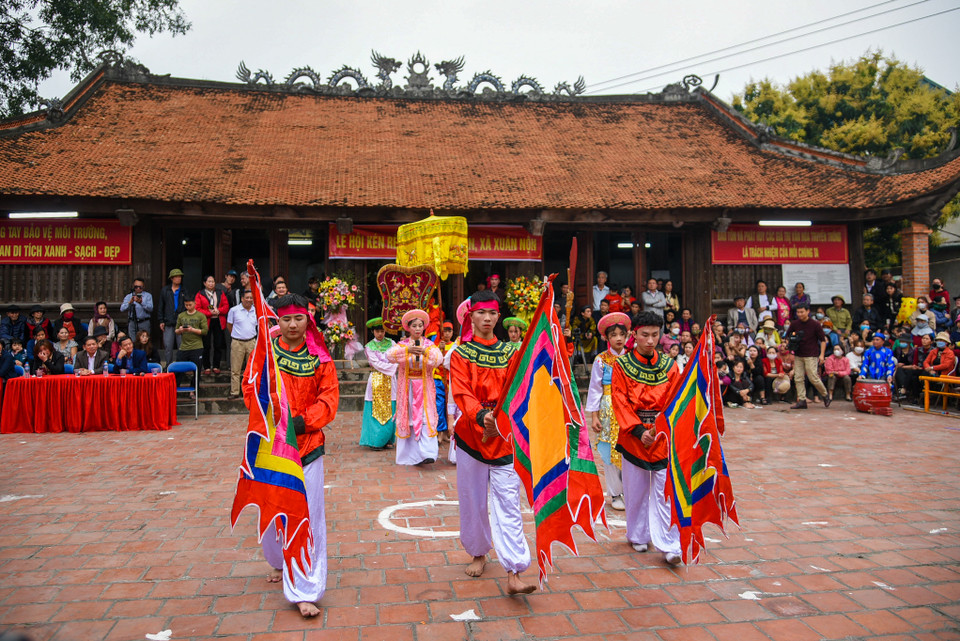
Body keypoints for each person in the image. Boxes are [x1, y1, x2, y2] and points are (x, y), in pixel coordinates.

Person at [244, 293, 338, 618]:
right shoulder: (265, 354)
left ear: (307, 320)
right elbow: (249, 387)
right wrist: (270, 419)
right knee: (273, 514)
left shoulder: (320, 357)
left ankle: (305, 587)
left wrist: (300, 424)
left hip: (308, 447)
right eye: (286, 319)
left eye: (299, 318)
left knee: (306, 517)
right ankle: (279, 561)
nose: (293, 324)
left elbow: (329, 400)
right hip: (271, 449)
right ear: (277, 321)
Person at [449, 289, 536, 594]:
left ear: (498, 316)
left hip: (504, 437)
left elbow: (522, 390)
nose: (487, 319)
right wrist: (480, 415)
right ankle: (478, 551)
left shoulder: (512, 353)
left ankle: (514, 568)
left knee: (508, 501)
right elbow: (461, 392)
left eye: (492, 314)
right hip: (472, 434)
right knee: (472, 500)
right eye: (481, 313)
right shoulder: (460, 354)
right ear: (470, 316)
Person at [610, 311, 682, 565]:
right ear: (634, 336)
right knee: (636, 491)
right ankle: (638, 534)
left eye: (654, 335)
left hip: (661, 436)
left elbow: (675, 400)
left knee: (665, 492)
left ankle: (670, 544)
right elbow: (619, 400)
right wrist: (640, 431)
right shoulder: (621, 366)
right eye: (644, 335)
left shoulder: (669, 366)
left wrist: (661, 428)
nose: (650, 340)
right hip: (633, 437)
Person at [586, 312, 630, 512]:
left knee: (629, 450)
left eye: (622, 334)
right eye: (614, 335)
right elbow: (595, 388)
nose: (618, 338)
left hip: (629, 408)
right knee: (608, 452)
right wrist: (594, 416)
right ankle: (615, 493)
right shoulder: (601, 360)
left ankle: (630, 490)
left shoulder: (632, 358)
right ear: (607, 338)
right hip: (607, 408)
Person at [387, 309, 443, 466]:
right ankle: (408, 456)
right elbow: (389, 356)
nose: (418, 329)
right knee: (409, 418)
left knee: (425, 417)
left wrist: (425, 352)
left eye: (420, 326)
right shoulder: (403, 344)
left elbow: (438, 359)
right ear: (408, 328)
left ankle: (427, 453)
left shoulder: (429, 345)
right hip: (407, 387)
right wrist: (407, 350)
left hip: (424, 387)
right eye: (415, 326)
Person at [783, 303, 830, 410]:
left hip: (811, 354)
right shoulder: (794, 323)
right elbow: (787, 336)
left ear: (808, 311)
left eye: (802, 312)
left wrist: (822, 355)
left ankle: (825, 394)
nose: (799, 314)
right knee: (798, 377)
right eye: (798, 312)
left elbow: (822, 340)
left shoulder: (815, 324)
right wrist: (787, 343)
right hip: (798, 354)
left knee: (813, 377)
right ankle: (802, 400)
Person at [359, 317, 398, 450]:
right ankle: (376, 440)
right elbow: (376, 363)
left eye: (382, 331)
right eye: (377, 331)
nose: (380, 333)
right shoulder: (369, 347)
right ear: (373, 332)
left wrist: (394, 366)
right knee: (376, 408)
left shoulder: (392, 343)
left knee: (391, 406)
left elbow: (397, 358)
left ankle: (387, 439)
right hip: (376, 378)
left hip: (390, 380)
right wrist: (393, 368)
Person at [226, 289, 257, 398]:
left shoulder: (256, 310)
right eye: (247, 298)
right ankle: (235, 392)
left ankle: (249, 391)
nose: (249, 300)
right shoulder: (234, 310)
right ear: (242, 298)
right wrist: (236, 335)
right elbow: (229, 325)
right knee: (236, 369)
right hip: (237, 342)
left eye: (251, 298)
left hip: (251, 342)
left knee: (251, 369)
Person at [196, 275, 229, 375]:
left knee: (218, 344)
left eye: (213, 281)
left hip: (218, 321)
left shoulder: (220, 292)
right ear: (205, 283)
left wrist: (219, 311)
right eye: (209, 281)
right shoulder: (200, 294)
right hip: (206, 321)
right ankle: (206, 366)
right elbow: (197, 308)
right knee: (206, 345)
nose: (211, 283)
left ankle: (216, 365)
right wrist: (210, 313)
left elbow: (226, 306)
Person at [174, 298, 208, 388]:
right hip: (184, 347)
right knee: (178, 369)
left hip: (197, 346)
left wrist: (192, 330)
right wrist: (180, 330)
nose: (188, 307)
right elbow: (176, 331)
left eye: (190, 305)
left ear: (195, 303)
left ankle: (194, 390)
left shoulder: (201, 316)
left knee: (197, 370)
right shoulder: (181, 315)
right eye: (186, 305)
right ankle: (175, 388)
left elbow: (205, 331)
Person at [158, 268, 187, 366]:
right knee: (168, 346)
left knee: (181, 346)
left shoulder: (184, 290)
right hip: (168, 321)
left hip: (181, 322)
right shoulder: (165, 290)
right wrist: (161, 320)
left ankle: (180, 366)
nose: (179, 279)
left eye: (180, 277)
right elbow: (161, 306)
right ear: (172, 278)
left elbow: (187, 305)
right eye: (176, 277)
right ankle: (168, 365)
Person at [898, 333, 933, 402]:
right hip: (918, 368)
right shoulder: (918, 349)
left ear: (931, 341)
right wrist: (915, 366)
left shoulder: (933, 351)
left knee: (920, 374)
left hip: (928, 369)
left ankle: (906, 391)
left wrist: (922, 368)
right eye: (923, 338)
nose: (924, 340)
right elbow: (915, 362)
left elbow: (931, 364)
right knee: (912, 375)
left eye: (927, 339)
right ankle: (911, 394)